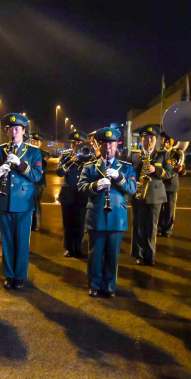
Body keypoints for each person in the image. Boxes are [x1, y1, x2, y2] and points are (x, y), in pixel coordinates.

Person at [78, 127, 136, 297]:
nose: (108, 148)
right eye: (104, 145)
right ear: (100, 147)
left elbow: (132, 189)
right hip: (96, 216)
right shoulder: (90, 167)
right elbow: (81, 188)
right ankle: (94, 285)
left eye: (111, 145)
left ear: (116, 146)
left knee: (112, 255)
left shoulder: (126, 167)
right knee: (95, 255)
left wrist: (119, 178)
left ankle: (110, 286)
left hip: (116, 217)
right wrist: (95, 186)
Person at [0, 113, 42, 289]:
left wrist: (20, 164)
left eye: (17, 129)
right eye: (10, 129)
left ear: (23, 131)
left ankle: (20, 277)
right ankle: (9, 274)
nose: (13, 132)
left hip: (23, 202)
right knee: (7, 240)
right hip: (5, 201)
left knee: (21, 241)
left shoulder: (33, 152)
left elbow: (37, 175)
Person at [128, 125, 173, 266]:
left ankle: (150, 255)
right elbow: (127, 172)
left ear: (156, 140)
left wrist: (156, 170)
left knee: (151, 227)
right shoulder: (134, 154)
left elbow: (170, 173)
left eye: (152, 138)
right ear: (141, 139)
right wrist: (133, 181)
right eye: (146, 138)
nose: (149, 141)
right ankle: (139, 254)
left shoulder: (162, 154)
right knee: (138, 226)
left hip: (155, 196)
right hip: (138, 194)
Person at [57, 131, 90, 258]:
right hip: (68, 194)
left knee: (80, 223)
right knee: (68, 223)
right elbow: (59, 172)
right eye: (73, 143)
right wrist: (70, 161)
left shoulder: (88, 155)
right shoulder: (65, 156)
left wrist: (82, 160)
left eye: (78, 143)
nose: (75, 145)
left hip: (82, 194)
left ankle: (79, 248)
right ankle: (69, 248)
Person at [157, 132, 186, 237]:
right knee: (159, 208)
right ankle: (159, 228)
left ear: (173, 141)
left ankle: (167, 230)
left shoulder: (178, 153)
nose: (166, 141)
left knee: (170, 209)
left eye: (169, 139)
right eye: (164, 139)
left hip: (172, 184)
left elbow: (183, 172)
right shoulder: (159, 153)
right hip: (160, 184)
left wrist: (181, 169)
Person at [29, 132, 49, 231]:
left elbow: (43, 165)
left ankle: (36, 224)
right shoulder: (26, 151)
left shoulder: (44, 154)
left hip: (38, 183)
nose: (35, 142)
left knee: (36, 203)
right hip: (27, 182)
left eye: (37, 141)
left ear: (41, 143)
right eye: (33, 140)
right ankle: (28, 223)